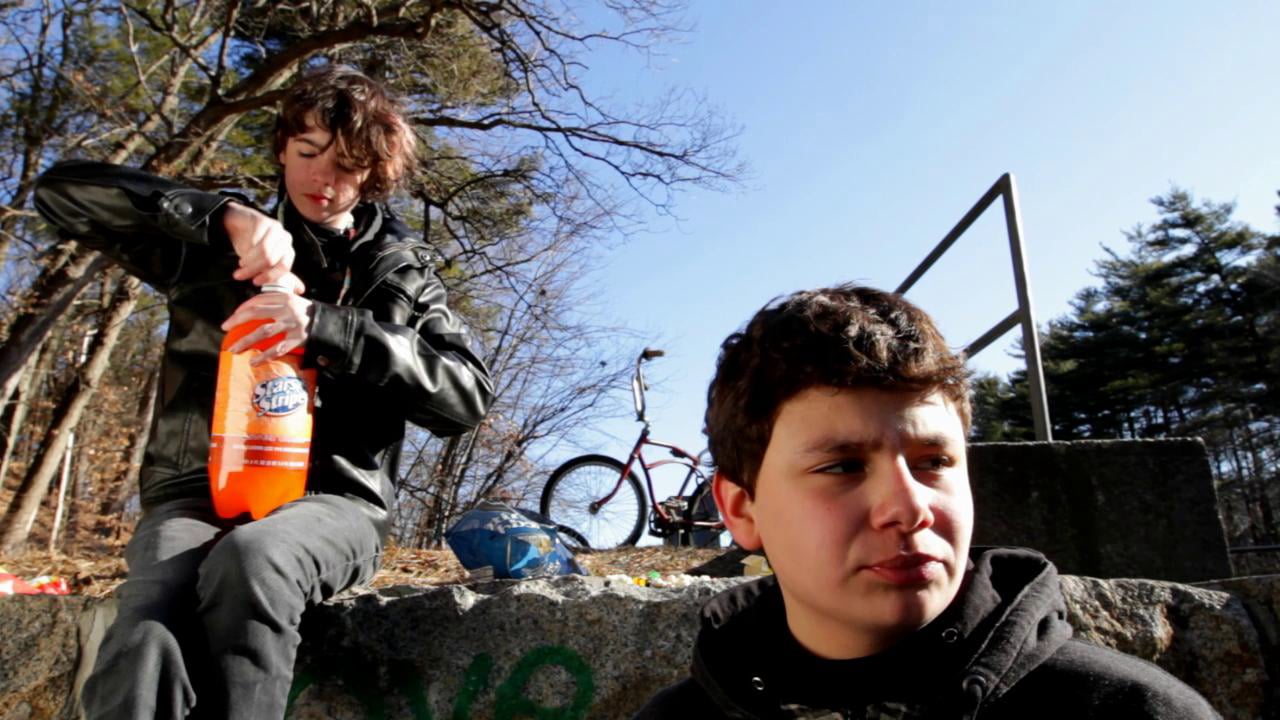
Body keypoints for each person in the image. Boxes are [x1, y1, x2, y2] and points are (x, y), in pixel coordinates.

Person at [34, 65, 494, 719]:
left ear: (372, 174)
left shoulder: (402, 272)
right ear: (282, 148)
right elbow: (59, 193)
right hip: (199, 491)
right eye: (307, 152)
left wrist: (333, 329)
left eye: (346, 164)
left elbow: (466, 397)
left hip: (334, 503)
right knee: (150, 623)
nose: (321, 177)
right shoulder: (214, 241)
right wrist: (218, 215)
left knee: (254, 559)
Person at [635, 285, 1219, 719]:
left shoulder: (1136, 711)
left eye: (934, 462)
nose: (910, 508)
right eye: (842, 466)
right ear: (741, 510)